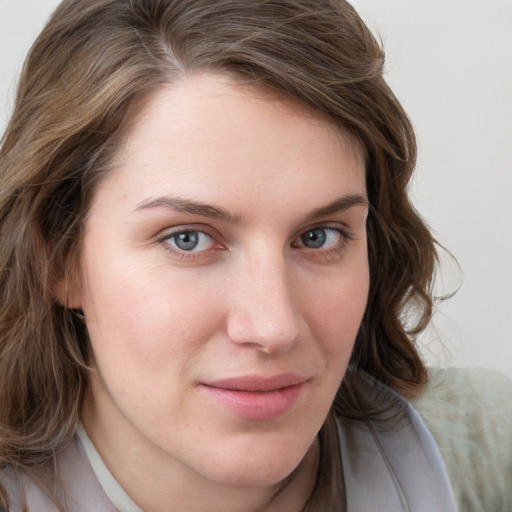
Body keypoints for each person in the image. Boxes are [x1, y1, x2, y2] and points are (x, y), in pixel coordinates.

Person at [0, 1, 510, 511]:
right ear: (58, 259)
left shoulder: (488, 454)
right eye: (189, 239)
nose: (273, 327)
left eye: (319, 236)